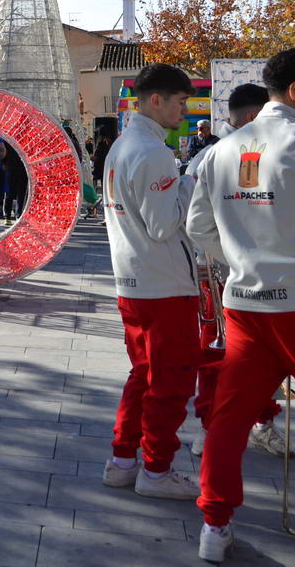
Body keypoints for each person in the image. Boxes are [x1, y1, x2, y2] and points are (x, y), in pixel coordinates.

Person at [187, 49, 295, 563]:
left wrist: (244, 260)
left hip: (246, 303)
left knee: (229, 418)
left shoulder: (220, 151)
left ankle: (214, 524)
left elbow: (197, 228)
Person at [100, 62, 200, 502]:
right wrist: (190, 184)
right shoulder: (154, 152)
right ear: (155, 100)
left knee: (143, 375)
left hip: (132, 280)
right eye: (181, 102)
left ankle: (123, 460)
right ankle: (156, 469)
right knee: (171, 382)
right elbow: (163, 225)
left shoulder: (122, 145)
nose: (185, 112)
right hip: (164, 285)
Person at [182, 83, 286, 459]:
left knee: (267, 350)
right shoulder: (210, 157)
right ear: (253, 117)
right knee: (216, 348)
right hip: (218, 268)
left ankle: (262, 421)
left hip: (262, 273)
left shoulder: (268, 152)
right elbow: (193, 221)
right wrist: (234, 256)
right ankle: (209, 425)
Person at [3, 140, 28, 225]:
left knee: (18, 193)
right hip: (15, 168)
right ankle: (11, 216)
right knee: (14, 193)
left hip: (18, 168)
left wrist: (4, 164)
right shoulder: (8, 139)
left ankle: (15, 215)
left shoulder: (9, 139)